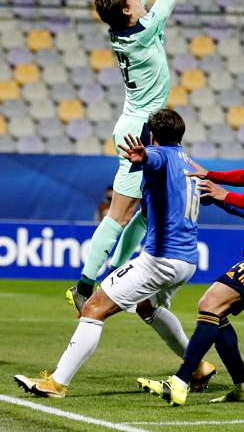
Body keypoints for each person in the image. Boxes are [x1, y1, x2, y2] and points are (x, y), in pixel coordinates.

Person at [14, 109, 216, 398]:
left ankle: (56, 383)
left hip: (159, 260)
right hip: (187, 261)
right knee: (147, 308)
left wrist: (143, 157)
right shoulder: (190, 166)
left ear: (152, 136)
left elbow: (155, 158)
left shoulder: (160, 157)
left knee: (93, 307)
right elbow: (152, 210)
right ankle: (196, 367)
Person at [137, 98, 244, 407]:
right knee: (217, 312)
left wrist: (223, 194)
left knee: (210, 302)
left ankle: (180, 381)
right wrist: (210, 176)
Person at [66, 0, 186, 312]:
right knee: (120, 213)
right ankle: (84, 284)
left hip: (137, 123)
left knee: (145, 210)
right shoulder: (144, 31)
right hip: (140, 131)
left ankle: (119, 269)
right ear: (126, 9)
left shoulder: (128, 25)